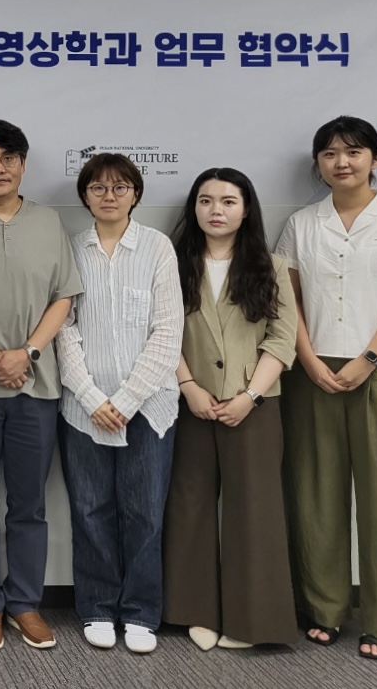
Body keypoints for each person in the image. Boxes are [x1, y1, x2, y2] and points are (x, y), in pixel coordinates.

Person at [275, 116, 377, 661]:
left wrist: (367, 360)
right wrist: (308, 359)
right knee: (316, 490)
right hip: (313, 368)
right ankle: (324, 609)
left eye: (354, 151)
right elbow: (288, 299)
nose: (342, 162)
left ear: (374, 159)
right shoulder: (301, 224)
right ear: (318, 164)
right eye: (331, 153)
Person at [0, 119, 83, 653]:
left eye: (8, 158)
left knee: (29, 503)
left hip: (36, 385)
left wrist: (25, 353)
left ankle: (25, 602)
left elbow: (63, 296)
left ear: (23, 164)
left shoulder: (49, 222)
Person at [163, 168, 298, 650]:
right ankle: (194, 611)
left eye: (227, 201)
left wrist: (250, 396)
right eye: (205, 201)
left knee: (255, 510)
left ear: (246, 209)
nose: (215, 210)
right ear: (193, 208)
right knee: (190, 505)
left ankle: (251, 622)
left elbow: (282, 340)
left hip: (254, 404)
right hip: (191, 401)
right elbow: (160, 330)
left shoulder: (272, 266)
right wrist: (188, 386)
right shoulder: (172, 262)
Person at [55, 153, 183, 654]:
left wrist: (127, 399)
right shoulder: (71, 249)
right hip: (82, 407)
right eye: (98, 188)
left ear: (136, 194)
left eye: (120, 187)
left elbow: (168, 332)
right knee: (90, 510)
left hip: (148, 407)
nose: (109, 196)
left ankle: (141, 613)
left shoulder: (157, 247)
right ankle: (97, 607)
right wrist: (91, 396)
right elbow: (63, 329)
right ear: (85, 196)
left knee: (145, 512)